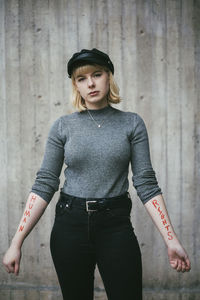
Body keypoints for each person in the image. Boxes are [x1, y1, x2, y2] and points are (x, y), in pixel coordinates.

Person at [3, 48, 191, 300]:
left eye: (97, 74)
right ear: (76, 86)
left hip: (115, 225)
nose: (90, 83)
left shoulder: (132, 123)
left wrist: (171, 240)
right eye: (81, 79)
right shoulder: (63, 127)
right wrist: (17, 242)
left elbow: (146, 184)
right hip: (70, 225)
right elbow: (45, 183)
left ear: (108, 77)